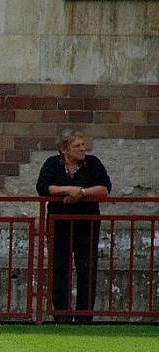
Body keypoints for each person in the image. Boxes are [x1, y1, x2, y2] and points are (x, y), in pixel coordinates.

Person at [36, 129, 111, 323]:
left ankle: (84, 316)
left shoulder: (92, 163)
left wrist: (82, 193)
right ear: (64, 149)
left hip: (87, 224)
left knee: (87, 267)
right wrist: (69, 189)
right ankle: (61, 314)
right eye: (77, 145)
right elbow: (44, 187)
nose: (82, 148)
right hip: (58, 224)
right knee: (59, 266)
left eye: (83, 144)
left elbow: (104, 188)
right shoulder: (52, 164)